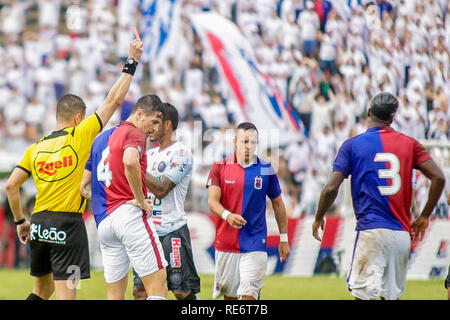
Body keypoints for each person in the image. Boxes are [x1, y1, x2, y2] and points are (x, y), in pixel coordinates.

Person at [5, 38, 143, 300]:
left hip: (39, 224)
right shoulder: (80, 135)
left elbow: (11, 185)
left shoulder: (35, 148)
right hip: (67, 225)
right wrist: (131, 61)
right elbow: (113, 100)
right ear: (79, 118)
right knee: (68, 296)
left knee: (41, 291)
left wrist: (21, 221)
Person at [312, 92, 446, 300]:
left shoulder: (352, 145)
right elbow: (438, 177)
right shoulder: (410, 144)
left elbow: (330, 188)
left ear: (368, 112)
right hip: (401, 234)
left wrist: (319, 216)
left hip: (372, 231)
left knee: (364, 297)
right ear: (393, 118)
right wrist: (425, 216)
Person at [80, 95, 168, 300]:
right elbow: (130, 161)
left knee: (114, 295)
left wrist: (110, 199)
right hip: (129, 216)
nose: (155, 129)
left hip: (104, 223)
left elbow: (83, 188)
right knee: (157, 287)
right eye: (154, 121)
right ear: (139, 114)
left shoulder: (100, 139)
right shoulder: (135, 132)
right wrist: (138, 198)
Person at [206, 122, 290, 300]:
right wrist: (227, 215)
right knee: (229, 298)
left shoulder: (266, 169)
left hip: (255, 242)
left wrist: (284, 238)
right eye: (245, 141)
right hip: (227, 244)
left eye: (253, 142)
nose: (249, 146)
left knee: (248, 297)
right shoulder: (219, 167)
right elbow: (212, 202)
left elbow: (278, 204)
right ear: (235, 141)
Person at [133, 102, 201, 300]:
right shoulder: (148, 154)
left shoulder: (182, 154)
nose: (150, 127)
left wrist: (134, 166)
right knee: (140, 291)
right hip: (147, 232)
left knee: (181, 291)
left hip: (172, 230)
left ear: (168, 125)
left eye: (156, 122)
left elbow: (162, 189)